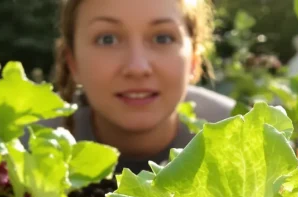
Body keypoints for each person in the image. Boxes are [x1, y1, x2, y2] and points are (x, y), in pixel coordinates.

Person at [50, 0, 235, 173]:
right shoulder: (27, 146)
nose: (137, 68)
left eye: (162, 38)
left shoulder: (238, 138)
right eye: (107, 39)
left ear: (194, 61)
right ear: (73, 63)